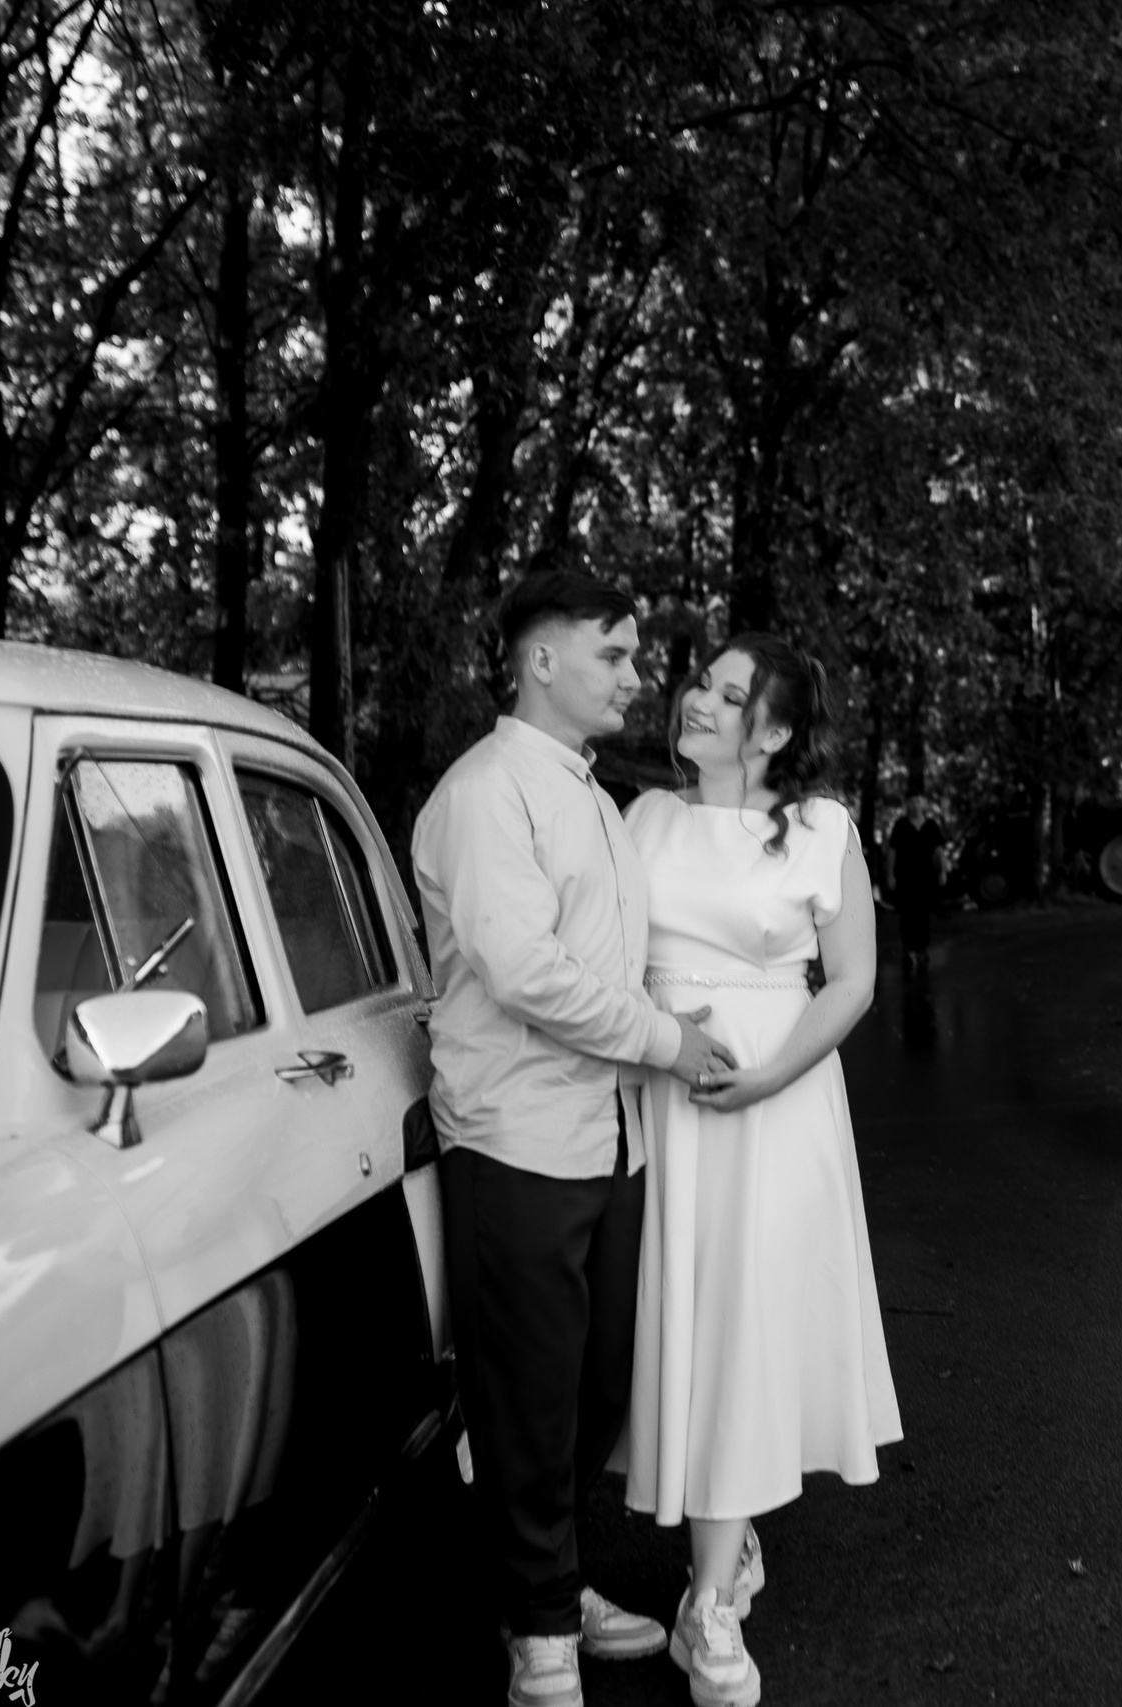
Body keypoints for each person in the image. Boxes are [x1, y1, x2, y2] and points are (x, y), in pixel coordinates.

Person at [413, 571, 741, 1707]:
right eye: (616, 654)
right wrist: (667, 1041)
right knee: (526, 1393)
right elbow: (524, 973)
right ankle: (542, 1629)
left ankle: (546, 1581)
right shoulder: (484, 793)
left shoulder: (595, 798)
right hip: (516, 1138)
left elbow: (609, 962)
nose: (637, 677)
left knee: (599, 1382)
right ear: (541, 661)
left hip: (612, 1140)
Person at [621, 633, 901, 1707]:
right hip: (659, 1089)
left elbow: (852, 981)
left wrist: (771, 1076)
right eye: (700, 681)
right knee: (677, 1324)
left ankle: (707, 1608)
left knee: (741, 1326)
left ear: (774, 730)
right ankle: (723, 1549)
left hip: (774, 1101)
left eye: (728, 693)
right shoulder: (642, 818)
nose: (696, 699)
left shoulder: (825, 830)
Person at [885, 793, 947, 974]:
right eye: (912, 802)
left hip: (926, 877)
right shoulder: (901, 825)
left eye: (919, 801)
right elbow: (892, 851)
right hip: (905, 877)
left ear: (924, 804)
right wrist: (890, 875)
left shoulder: (931, 826)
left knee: (923, 914)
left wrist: (943, 871)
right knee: (907, 914)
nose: (915, 805)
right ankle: (908, 949)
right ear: (907, 804)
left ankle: (922, 949)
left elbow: (939, 851)